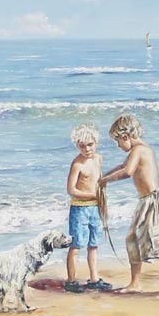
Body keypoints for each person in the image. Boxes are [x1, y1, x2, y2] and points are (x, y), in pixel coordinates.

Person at [99, 114, 159, 294]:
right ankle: (135, 282)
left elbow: (128, 171)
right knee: (133, 239)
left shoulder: (139, 150)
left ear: (126, 136)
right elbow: (122, 166)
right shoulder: (136, 152)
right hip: (145, 202)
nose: (118, 145)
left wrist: (106, 180)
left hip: (154, 201)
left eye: (118, 141)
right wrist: (103, 176)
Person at [64, 123, 113, 293]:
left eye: (90, 144)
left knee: (94, 244)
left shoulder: (98, 158)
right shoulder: (77, 164)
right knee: (76, 245)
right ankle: (71, 281)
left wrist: (101, 197)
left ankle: (94, 279)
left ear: (96, 143)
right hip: (79, 209)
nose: (87, 149)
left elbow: (99, 180)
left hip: (95, 208)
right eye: (82, 146)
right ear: (77, 146)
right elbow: (71, 190)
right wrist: (92, 195)